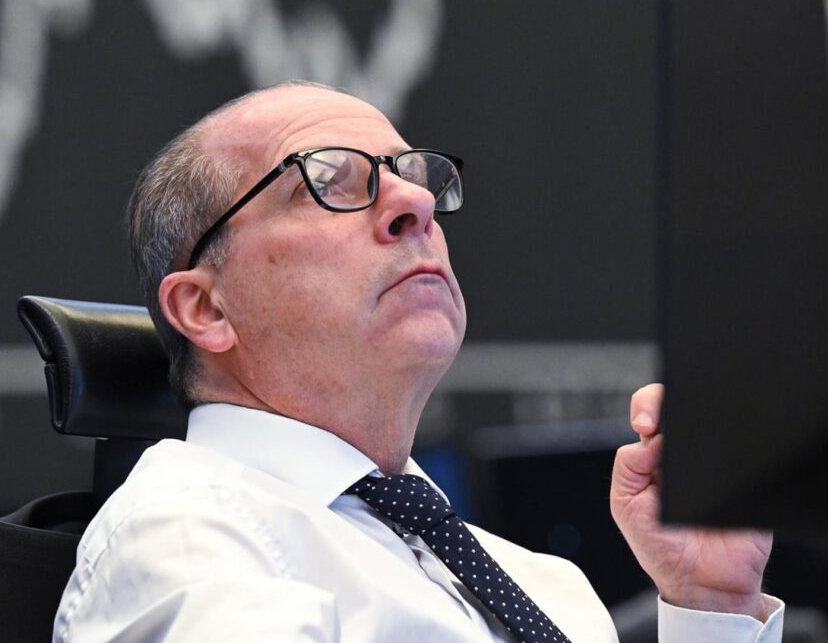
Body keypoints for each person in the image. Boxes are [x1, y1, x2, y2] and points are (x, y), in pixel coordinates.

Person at [53, 81, 783, 641]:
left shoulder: (542, 583)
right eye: (328, 180)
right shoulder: (189, 535)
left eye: (416, 177)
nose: (415, 203)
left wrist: (711, 609)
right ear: (206, 308)